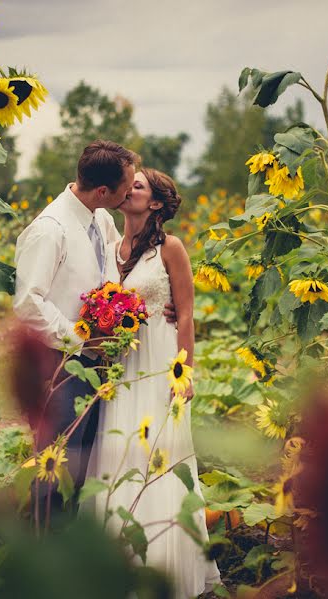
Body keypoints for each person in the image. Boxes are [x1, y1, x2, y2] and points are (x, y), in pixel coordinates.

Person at [13, 140, 175, 515]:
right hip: (58, 364)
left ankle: (71, 546)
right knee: (56, 461)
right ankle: (42, 549)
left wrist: (159, 300)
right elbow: (27, 303)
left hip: (96, 363)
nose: (133, 188)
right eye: (128, 183)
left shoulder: (100, 219)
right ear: (104, 191)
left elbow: (123, 270)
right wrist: (83, 337)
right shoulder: (50, 231)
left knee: (86, 462)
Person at [85, 168, 222, 598]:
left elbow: (184, 313)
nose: (128, 190)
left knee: (159, 455)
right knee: (118, 450)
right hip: (121, 366)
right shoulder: (111, 247)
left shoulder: (171, 249)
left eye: (138, 186)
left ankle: (165, 566)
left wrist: (185, 373)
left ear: (157, 203)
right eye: (129, 185)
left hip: (160, 361)